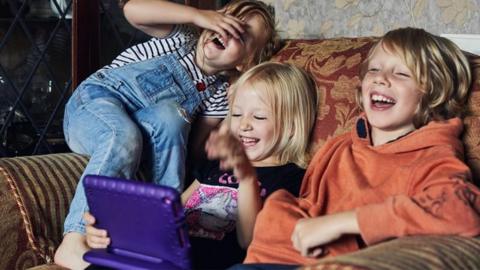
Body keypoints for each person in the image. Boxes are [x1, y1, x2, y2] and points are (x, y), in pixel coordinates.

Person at [54, 0, 278, 268]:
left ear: (246, 61)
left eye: (239, 35)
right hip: (91, 106)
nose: (225, 30)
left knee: (174, 117)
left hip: (140, 132)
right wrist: (197, 16)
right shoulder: (180, 39)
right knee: (124, 134)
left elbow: (190, 151)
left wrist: (237, 87)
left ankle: (160, 236)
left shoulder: (219, 94)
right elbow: (132, 10)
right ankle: (74, 239)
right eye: (225, 19)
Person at [237, 27, 480, 268]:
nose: (380, 78)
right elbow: (307, 209)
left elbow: (461, 211)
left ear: (432, 93)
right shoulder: (338, 147)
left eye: (401, 74)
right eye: (374, 69)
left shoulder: (433, 155)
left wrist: (345, 223)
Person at [83, 62, 319, 269]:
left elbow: (250, 242)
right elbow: (174, 212)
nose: (244, 125)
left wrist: (247, 177)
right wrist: (119, 229)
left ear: (291, 125)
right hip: (167, 258)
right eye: (236, 115)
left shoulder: (292, 179)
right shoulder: (216, 165)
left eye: (258, 117)